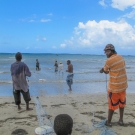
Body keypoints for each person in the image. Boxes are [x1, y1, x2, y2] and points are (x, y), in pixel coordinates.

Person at [100, 44, 128, 126]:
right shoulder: (121, 57)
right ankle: (121, 120)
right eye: (105, 51)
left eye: (107, 51)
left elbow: (106, 71)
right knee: (122, 104)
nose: (106, 53)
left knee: (111, 105)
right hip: (123, 85)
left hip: (114, 87)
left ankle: (108, 122)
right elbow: (121, 67)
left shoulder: (108, 61)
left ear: (111, 51)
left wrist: (102, 70)